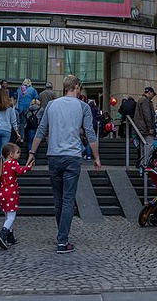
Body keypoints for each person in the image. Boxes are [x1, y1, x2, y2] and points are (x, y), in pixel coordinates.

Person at [27, 75, 100, 254]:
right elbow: (90, 133)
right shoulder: (83, 107)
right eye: (79, 87)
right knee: (68, 200)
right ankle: (62, 240)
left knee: (58, 199)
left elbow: (41, 129)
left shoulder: (52, 105)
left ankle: (62, 236)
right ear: (75, 86)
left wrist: (32, 153)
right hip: (72, 157)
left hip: (53, 156)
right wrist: (97, 157)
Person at [0, 142, 32, 249]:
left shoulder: (1, 166)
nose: (19, 154)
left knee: (7, 215)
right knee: (11, 216)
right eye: (18, 152)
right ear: (11, 154)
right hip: (11, 193)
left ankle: (10, 237)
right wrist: (29, 167)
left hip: (3, 194)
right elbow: (20, 171)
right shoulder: (13, 163)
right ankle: (2, 234)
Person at [134, 87, 157, 167]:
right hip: (145, 128)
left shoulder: (140, 100)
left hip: (141, 127)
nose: (153, 96)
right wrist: (150, 127)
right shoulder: (145, 101)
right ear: (150, 92)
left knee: (143, 147)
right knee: (149, 146)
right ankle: (145, 164)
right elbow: (147, 115)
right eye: (153, 94)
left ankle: (142, 164)